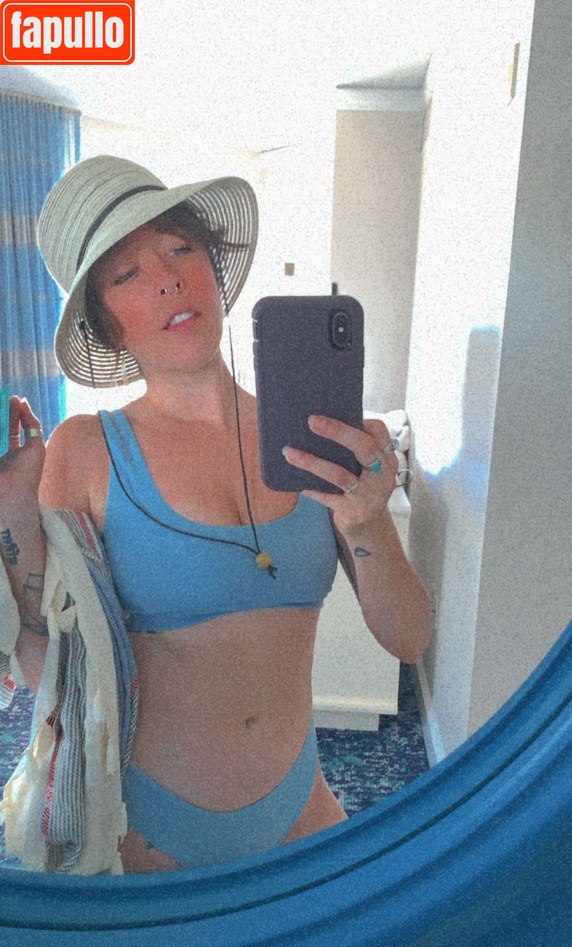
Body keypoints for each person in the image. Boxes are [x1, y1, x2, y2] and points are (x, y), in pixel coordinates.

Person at [0, 156, 430, 873]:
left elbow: (410, 638)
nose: (168, 278)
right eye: (126, 273)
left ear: (214, 270)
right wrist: (15, 512)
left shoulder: (318, 438)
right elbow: (49, 665)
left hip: (302, 812)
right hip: (147, 831)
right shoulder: (87, 450)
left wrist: (366, 522)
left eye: (180, 248)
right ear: (108, 327)